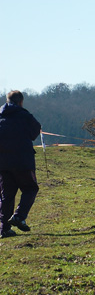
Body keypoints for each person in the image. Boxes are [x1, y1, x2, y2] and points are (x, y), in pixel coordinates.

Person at [0, 90, 42, 238]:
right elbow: (35, 131)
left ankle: (4, 229)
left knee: (7, 196)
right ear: (20, 102)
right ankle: (19, 216)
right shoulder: (25, 116)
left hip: (3, 164)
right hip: (23, 162)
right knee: (30, 189)